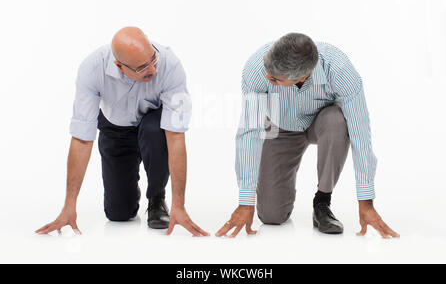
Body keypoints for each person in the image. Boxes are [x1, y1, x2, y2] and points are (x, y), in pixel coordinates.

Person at [216, 33, 399, 238]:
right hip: (279, 125)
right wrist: (245, 202)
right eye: (268, 72)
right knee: (271, 216)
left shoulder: (340, 70)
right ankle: (278, 198)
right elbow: (249, 131)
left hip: (322, 122)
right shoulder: (257, 69)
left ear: (302, 78)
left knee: (337, 120)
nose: (267, 77)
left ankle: (322, 202)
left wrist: (366, 203)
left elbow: (360, 133)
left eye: (275, 79)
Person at [36, 27, 208, 236]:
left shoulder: (170, 65)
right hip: (115, 129)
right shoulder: (92, 69)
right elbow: (82, 139)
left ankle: (156, 199)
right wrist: (69, 206)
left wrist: (179, 205)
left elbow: (175, 137)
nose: (153, 70)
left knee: (155, 129)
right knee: (118, 213)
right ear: (119, 66)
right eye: (143, 67)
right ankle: (127, 185)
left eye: (153, 60)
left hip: (153, 126)